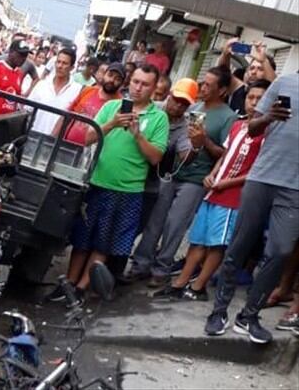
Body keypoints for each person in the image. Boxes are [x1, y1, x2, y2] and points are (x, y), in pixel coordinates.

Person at [56, 65, 168, 301]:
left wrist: (137, 134)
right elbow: (86, 138)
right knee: (81, 239)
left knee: (104, 243)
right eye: (136, 81)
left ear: (154, 87)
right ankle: (68, 284)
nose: (138, 87)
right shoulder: (111, 107)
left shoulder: (159, 117)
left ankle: (81, 289)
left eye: (145, 84)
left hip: (128, 190)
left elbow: (155, 157)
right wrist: (111, 124)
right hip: (97, 182)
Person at [155, 79, 270, 301]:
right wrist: (213, 174)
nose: (254, 103)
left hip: (233, 197)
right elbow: (226, 156)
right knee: (198, 240)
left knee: (216, 244)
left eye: (260, 99)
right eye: (251, 97)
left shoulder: (268, 133)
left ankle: (198, 288)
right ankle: (180, 283)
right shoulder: (238, 125)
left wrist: (225, 183)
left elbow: (257, 171)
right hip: (214, 190)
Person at [205, 73, 299, 344]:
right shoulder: (283, 82)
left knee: (280, 251)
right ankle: (219, 311)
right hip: (261, 177)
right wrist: (269, 116)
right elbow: (253, 128)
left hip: (294, 188)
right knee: (239, 245)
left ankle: (249, 316)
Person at [131, 65, 236, 286]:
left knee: (175, 223)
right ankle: (141, 264)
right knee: (155, 220)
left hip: (196, 178)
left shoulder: (228, 117)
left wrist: (203, 141)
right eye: (203, 83)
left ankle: (161, 267)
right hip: (172, 173)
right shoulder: (193, 106)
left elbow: (227, 154)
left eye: (209, 85)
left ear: (223, 90)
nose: (203, 88)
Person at [112, 78, 197, 280]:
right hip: (128, 171)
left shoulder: (184, 125)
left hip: (156, 180)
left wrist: (197, 145)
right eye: (176, 100)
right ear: (169, 95)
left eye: (184, 103)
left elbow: (185, 155)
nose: (178, 105)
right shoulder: (152, 110)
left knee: (151, 223)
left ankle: (138, 266)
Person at [55, 62, 125, 146]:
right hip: (65, 144)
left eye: (117, 79)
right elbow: (67, 115)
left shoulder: (119, 105)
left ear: (122, 84)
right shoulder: (88, 91)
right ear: (104, 75)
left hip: (90, 154)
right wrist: (52, 137)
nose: (112, 80)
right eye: (110, 75)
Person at [27, 47, 82, 135]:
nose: (60, 66)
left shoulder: (77, 91)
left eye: (64, 63)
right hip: (33, 137)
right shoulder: (42, 85)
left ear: (72, 68)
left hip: (58, 144)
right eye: (58, 62)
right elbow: (27, 110)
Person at [217, 38, 277, 116]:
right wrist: (225, 54)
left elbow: (275, 85)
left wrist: (264, 60)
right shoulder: (240, 90)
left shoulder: (271, 94)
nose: (254, 72)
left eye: (260, 69)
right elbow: (223, 73)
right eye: (252, 68)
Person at [0, 39, 29, 116]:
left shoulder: (19, 74)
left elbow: (17, 97)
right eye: (20, 54)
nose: (23, 58)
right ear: (11, 52)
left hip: (7, 121)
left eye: (25, 56)